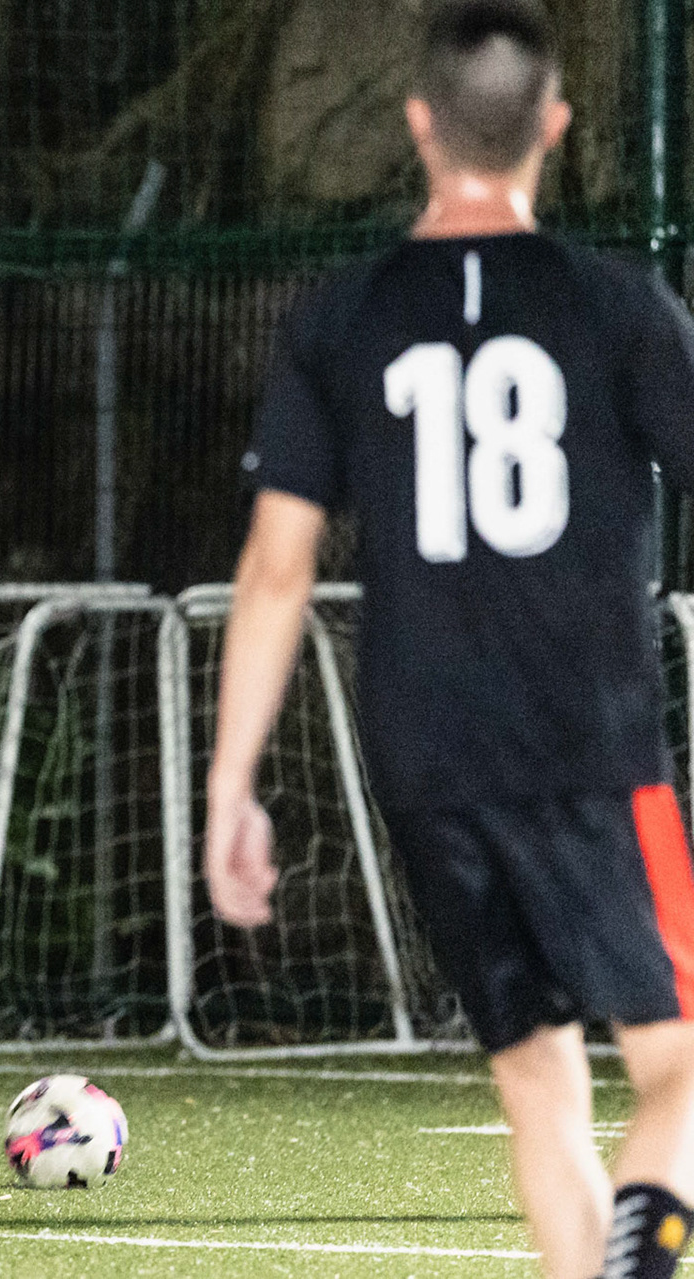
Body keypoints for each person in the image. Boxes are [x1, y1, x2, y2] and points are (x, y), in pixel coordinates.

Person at [205, 3, 694, 1275]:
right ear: (557, 129)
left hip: (427, 751)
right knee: (681, 1064)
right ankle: (649, 1246)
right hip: (592, 743)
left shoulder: (336, 318)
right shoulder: (619, 307)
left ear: (419, 124)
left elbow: (274, 572)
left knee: (537, 1082)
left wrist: (228, 788)